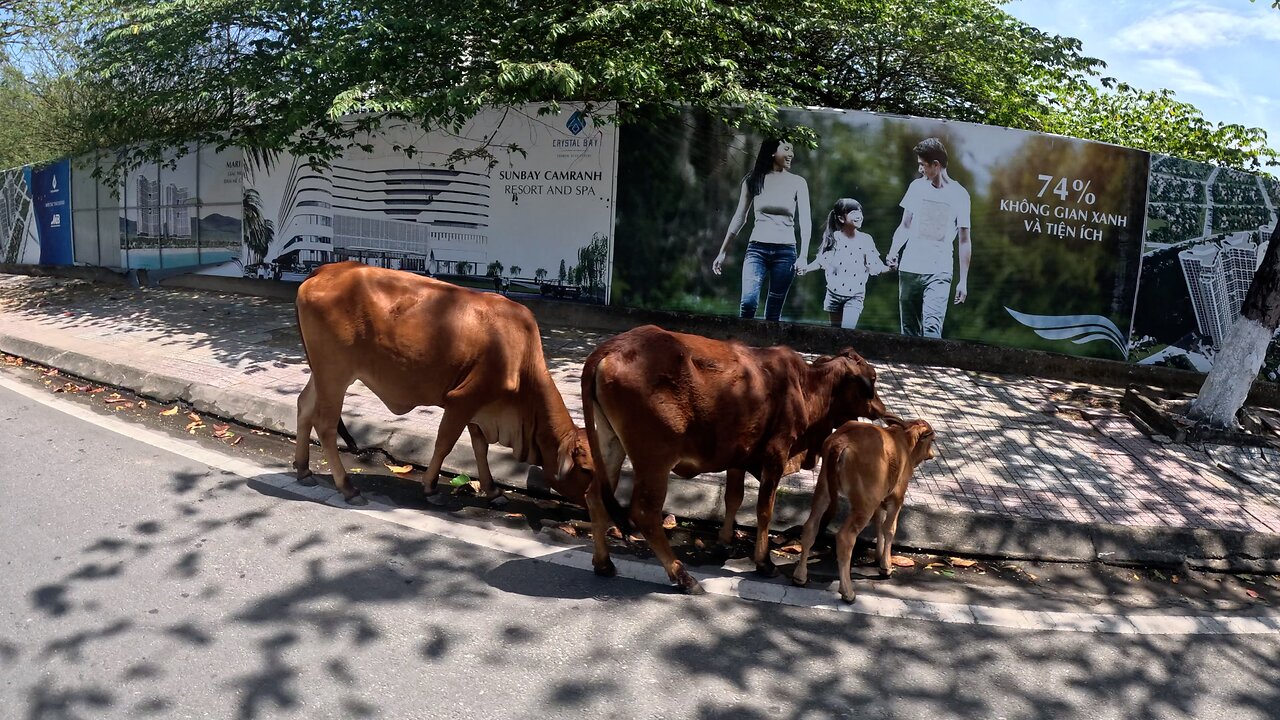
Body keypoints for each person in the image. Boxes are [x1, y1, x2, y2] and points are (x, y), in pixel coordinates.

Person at [713, 139, 814, 321]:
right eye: (787, 149)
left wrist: (804, 256)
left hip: (786, 252)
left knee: (773, 313)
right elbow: (739, 217)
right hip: (757, 250)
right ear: (772, 152)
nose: (791, 154)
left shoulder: (798, 182)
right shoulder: (753, 180)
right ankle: (744, 346)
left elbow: (805, 220)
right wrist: (722, 252)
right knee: (749, 303)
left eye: (792, 150)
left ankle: (767, 349)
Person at [885, 137, 972, 338]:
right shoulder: (916, 187)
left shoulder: (960, 194)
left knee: (932, 330)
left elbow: (964, 240)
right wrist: (892, 250)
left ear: (936, 165)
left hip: (939, 271)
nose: (920, 170)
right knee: (909, 333)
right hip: (909, 269)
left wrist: (963, 280)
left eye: (922, 165)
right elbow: (905, 225)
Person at [798, 197, 887, 329]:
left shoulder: (866, 240)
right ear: (841, 218)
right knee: (836, 335)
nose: (859, 215)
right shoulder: (834, 238)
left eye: (859, 212)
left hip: (855, 296)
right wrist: (806, 268)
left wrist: (890, 268)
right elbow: (821, 262)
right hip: (833, 294)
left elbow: (875, 266)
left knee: (847, 332)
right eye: (853, 212)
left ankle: (848, 349)